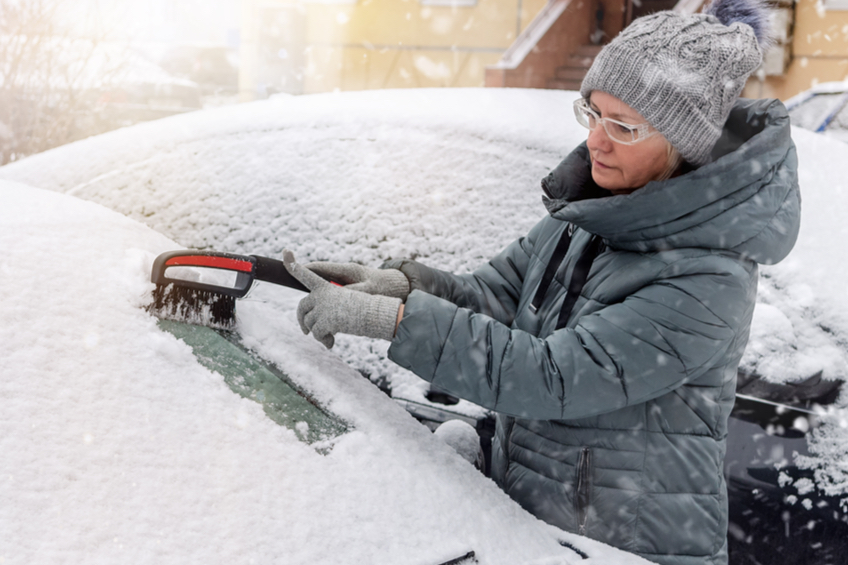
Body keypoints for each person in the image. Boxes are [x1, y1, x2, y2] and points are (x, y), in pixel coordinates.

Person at [282, 0, 801, 563]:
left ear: (685, 143)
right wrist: (399, 288)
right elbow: (496, 298)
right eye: (593, 114)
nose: (596, 141)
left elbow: (549, 377)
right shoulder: (594, 213)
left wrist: (395, 323)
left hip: (627, 548)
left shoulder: (708, 277)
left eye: (624, 126)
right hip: (545, 531)